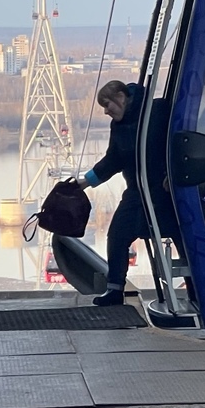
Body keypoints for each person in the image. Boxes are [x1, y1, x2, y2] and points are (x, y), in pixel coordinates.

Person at [77, 80, 143, 307]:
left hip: (165, 191)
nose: (106, 111)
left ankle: (196, 286)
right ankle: (114, 290)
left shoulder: (156, 114)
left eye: (108, 104)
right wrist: (86, 181)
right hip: (137, 191)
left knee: (182, 236)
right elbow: (115, 159)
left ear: (121, 97)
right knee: (117, 235)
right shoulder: (119, 126)